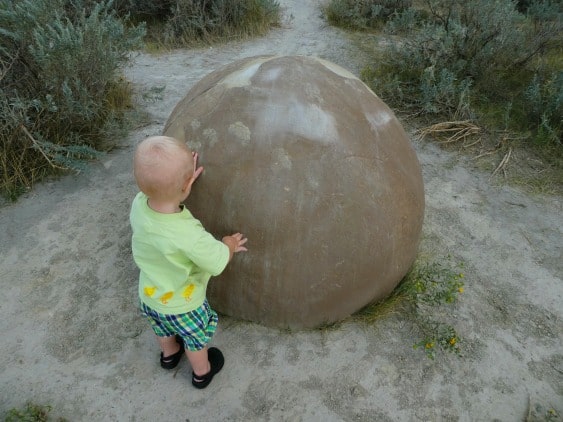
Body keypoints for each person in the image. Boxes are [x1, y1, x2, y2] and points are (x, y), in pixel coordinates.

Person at [130, 135, 247, 389]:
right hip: (185, 304)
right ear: (187, 186)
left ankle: (169, 356)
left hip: (150, 296)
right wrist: (228, 244)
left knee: (162, 330)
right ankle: (202, 372)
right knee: (195, 340)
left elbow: (159, 190)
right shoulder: (187, 233)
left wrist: (179, 179)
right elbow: (216, 262)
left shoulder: (138, 205)